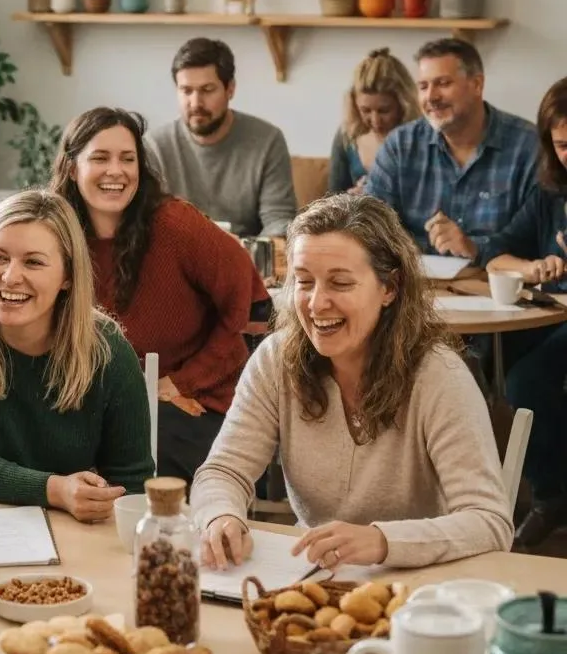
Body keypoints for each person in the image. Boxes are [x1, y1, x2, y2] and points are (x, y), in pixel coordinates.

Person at [191, 194, 512, 572]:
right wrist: (220, 516)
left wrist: (381, 541)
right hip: (316, 575)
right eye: (304, 282)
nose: (316, 303)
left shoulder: (439, 376)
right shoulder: (276, 359)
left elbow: (489, 521)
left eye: (340, 283)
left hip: (420, 582)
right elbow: (223, 471)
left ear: (390, 288)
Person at [52, 106, 267, 484]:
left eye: (128, 158)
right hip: (101, 403)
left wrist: (180, 383)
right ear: (72, 169)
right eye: (100, 158)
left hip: (192, 400)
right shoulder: (55, 235)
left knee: (139, 454)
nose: (116, 171)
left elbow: (251, 303)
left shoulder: (176, 225)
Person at [0, 190, 154, 523]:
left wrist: (98, 506)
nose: (10, 276)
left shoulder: (108, 349)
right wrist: (58, 490)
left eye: (33, 262)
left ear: (68, 276)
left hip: (69, 526)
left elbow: (131, 483)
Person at [480, 76, 567, 548]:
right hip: (552, 314)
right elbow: (495, 254)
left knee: (527, 378)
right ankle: (478, 495)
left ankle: (549, 496)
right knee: (478, 351)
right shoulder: (550, 193)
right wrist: (534, 266)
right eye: (563, 145)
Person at [363, 38, 539, 260]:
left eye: (443, 84)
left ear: (477, 85)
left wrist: (474, 247)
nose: (431, 97)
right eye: (423, 86)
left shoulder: (528, 145)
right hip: (415, 282)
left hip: (496, 282)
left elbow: (533, 237)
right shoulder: (400, 145)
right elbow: (369, 224)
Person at [145, 37, 296, 236]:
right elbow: (145, 223)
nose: (196, 102)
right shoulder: (155, 146)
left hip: (245, 258)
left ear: (230, 89)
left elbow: (279, 221)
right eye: (186, 91)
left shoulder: (268, 140)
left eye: (207, 90)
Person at [328, 48, 420, 195]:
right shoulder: (347, 135)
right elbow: (332, 197)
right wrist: (349, 200)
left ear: (403, 104)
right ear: (354, 104)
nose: (375, 121)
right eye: (365, 110)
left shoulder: (421, 138)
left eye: (384, 110)